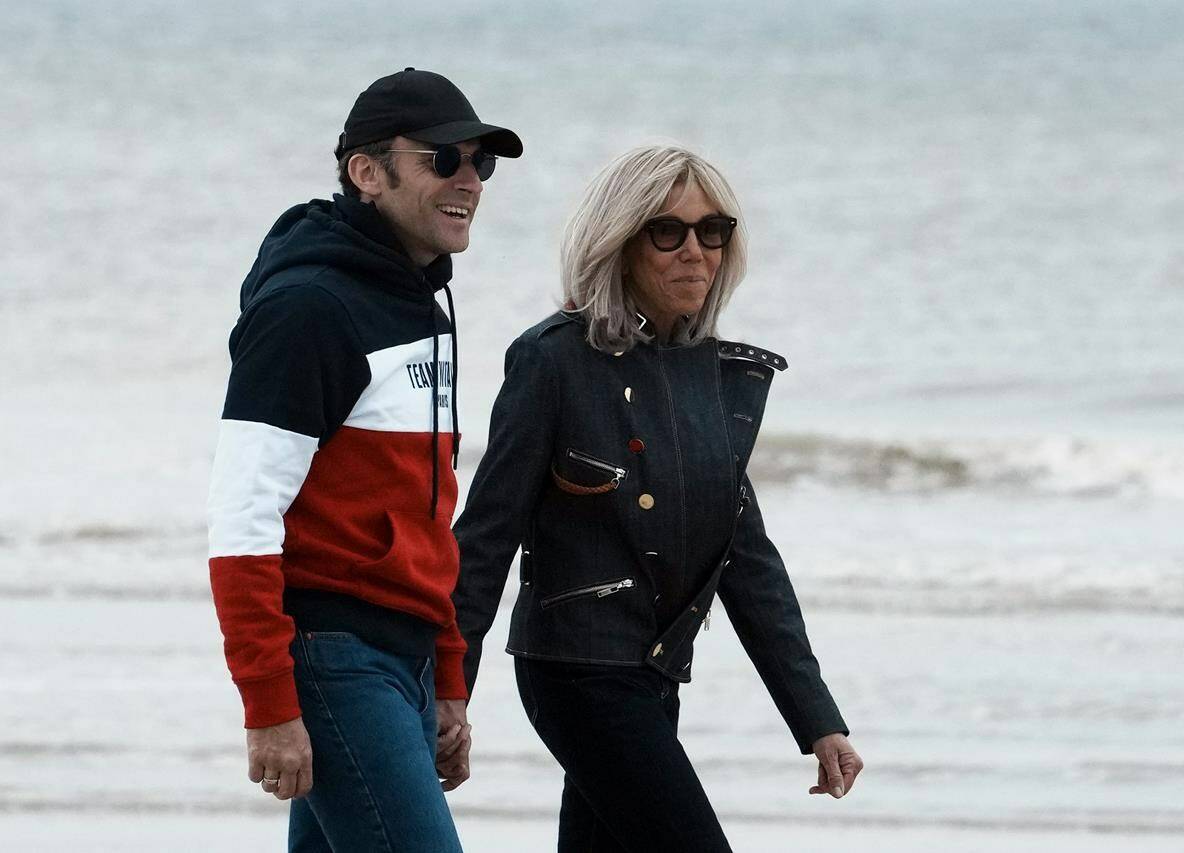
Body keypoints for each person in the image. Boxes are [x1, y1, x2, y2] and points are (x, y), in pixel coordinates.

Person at [452, 145, 862, 851]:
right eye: (666, 231)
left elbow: (749, 560)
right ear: (618, 241)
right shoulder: (553, 360)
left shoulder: (716, 378)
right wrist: (446, 687)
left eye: (713, 231)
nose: (694, 252)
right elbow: (485, 536)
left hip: (653, 674)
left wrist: (817, 717)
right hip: (574, 671)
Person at [206, 68, 521, 851]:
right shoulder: (308, 310)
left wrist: (447, 674)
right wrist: (269, 703)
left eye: (480, 163)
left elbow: (429, 516)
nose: (469, 181)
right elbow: (242, 520)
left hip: (403, 660)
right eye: (443, 160)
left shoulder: (421, 305)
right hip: (332, 659)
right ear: (367, 173)